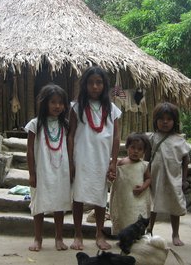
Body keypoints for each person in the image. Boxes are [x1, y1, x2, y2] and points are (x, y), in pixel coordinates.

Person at [67, 66, 122, 250]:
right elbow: (71, 134)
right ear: (85, 85)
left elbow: (116, 137)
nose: (95, 86)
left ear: (104, 85)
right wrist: (70, 161)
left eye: (99, 83)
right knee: (78, 196)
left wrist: (113, 162)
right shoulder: (76, 107)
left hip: (102, 159)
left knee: (100, 196)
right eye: (91, 83)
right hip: (81, 157)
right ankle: (78, 234)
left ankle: (99, 233)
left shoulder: (112, 109)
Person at [25, 84, 71, 251]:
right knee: (39, 204)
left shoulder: (65, 125)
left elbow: (69, 147)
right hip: (41, 171)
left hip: (61, 171)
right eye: (53, 102)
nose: (57, 106)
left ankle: (59, 237)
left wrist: (71, 169)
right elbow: (29, 150)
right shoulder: (34, 124)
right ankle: (38, 239)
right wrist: (32, 173)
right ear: (45, 103)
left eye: (61, 102)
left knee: (59, 204)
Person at [146, 102, 191, 246]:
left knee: (174, 206)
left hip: (173, 179)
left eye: (169, 119)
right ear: (155, 121)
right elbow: (146, 159)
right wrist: (145, 177)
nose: (165, 122)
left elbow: (185, 161)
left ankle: (175, 234)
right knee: (152, 206)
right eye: (161, 119)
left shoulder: (180, 140)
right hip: (154, 178)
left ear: (175, 121)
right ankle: (149, 231)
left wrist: (184, 179)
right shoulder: (152, 138)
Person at [109, 132, 151, 235]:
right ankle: (122, 237)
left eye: (140, 149)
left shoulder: (144, 165)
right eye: (133, 147)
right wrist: (111, 176)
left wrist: (142, 188)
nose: (136, 151)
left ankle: (137, 236)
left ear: (144, 151)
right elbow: (113, 177)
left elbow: (149, 179)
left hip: (138, 199)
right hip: (123, 199)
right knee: (123, 217)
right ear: (127, 147)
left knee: (137, 217)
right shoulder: (120, 163)